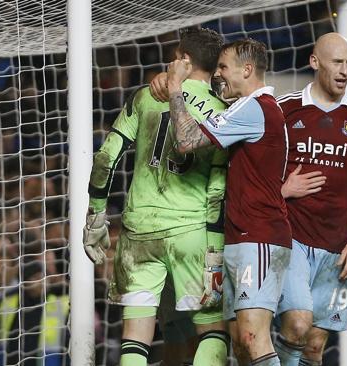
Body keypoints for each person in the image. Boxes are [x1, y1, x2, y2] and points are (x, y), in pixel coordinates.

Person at [83, 28, 230, 366]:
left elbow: (106, 157)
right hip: (191, 232)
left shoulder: (145, 97)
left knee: (136, 338)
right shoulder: (223, 113)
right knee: (213, 330)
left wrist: (96, 215)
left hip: (139, 233)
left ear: (184, 60)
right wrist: (214, 249)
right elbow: (218, 189)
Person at [166, 38, 292, 366]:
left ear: (246, 69)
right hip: (241, 236)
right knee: (239, 342)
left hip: (260, 236)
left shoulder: (255, 107)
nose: (218, 74)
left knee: (253, 337)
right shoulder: (250, 108)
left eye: (223, 67)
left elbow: (185, 140)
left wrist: (175, 86)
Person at [274, 32, 347, 366]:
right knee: (296, 325)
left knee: (314, 345)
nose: (344, 70)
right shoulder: (285, 110)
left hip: (338, 247)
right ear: (314, 61)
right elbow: (256, 172)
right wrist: (281, 190)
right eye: (336, 62)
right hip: (290, 238)